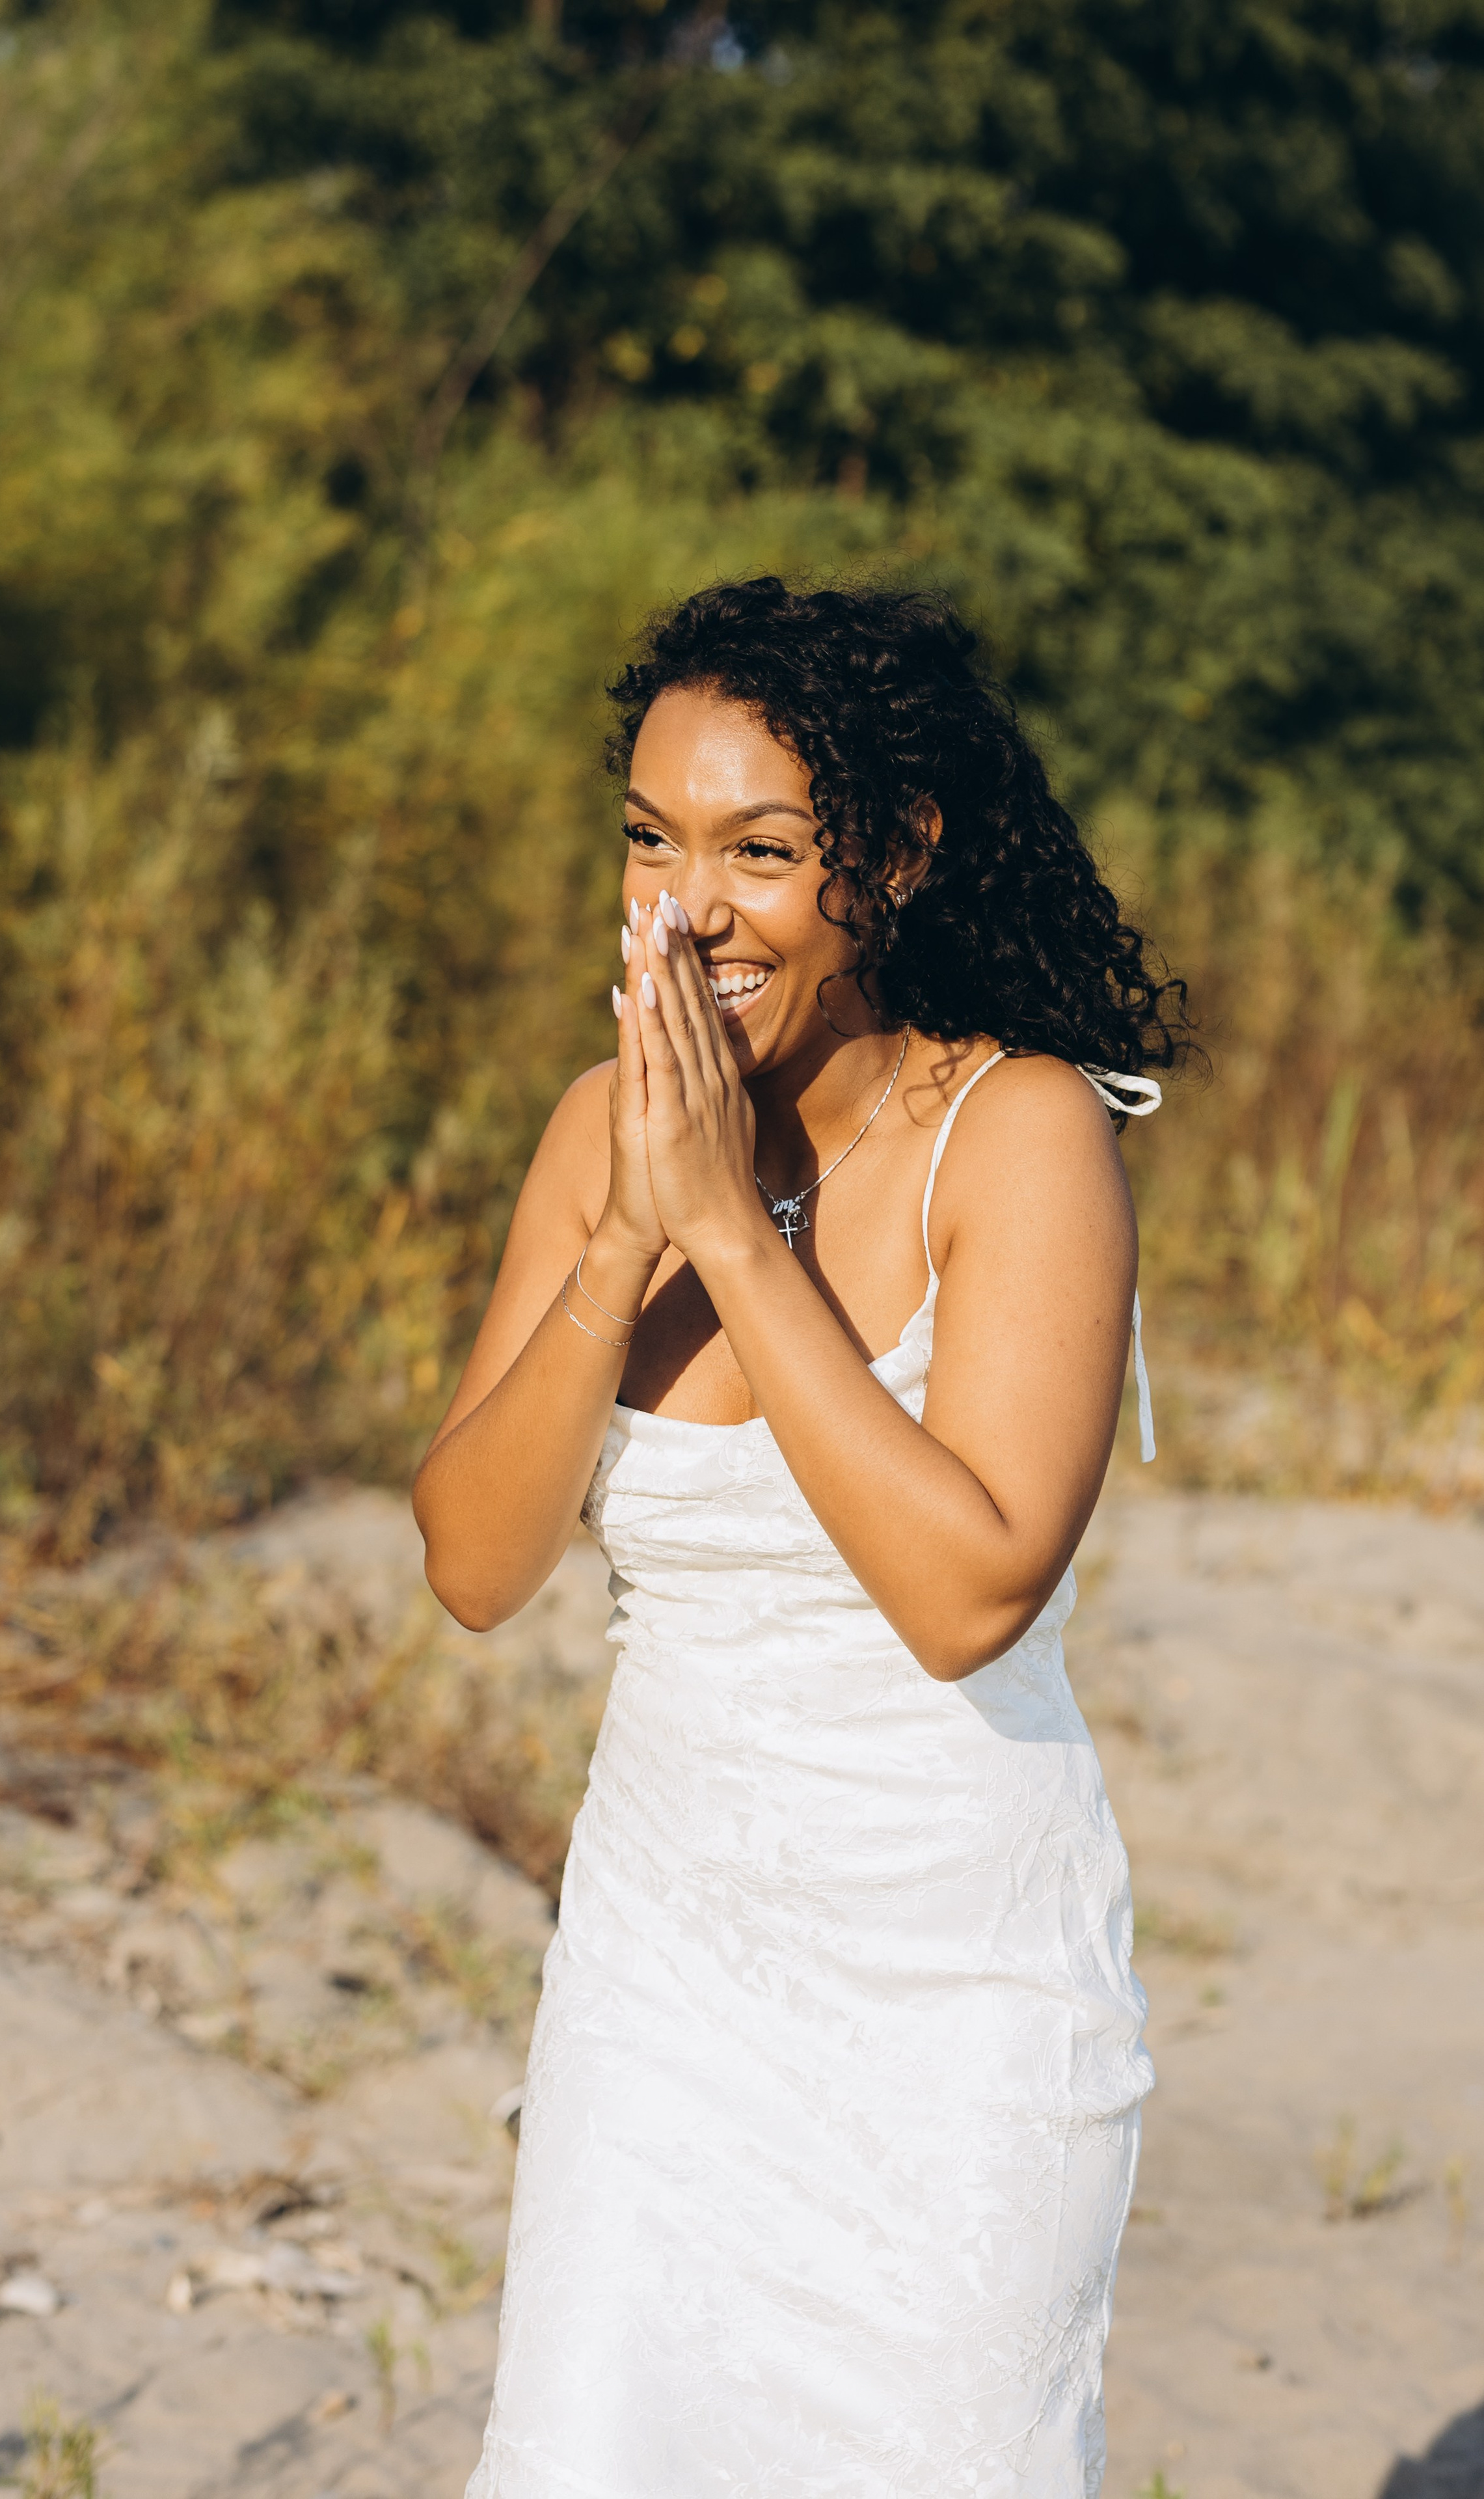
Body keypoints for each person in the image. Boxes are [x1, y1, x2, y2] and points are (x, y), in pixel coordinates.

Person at [412, 578, 1187, 2496]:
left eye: (759, 851)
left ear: (895, 858)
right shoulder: (603, 1130)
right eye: (651, 841)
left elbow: (967, 1596)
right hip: (660, 1994)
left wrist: (726, 1234)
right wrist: (625, 1234)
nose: (691, 905)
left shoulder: (1019, 1134)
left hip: (959, 2014)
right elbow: (474, 1569)